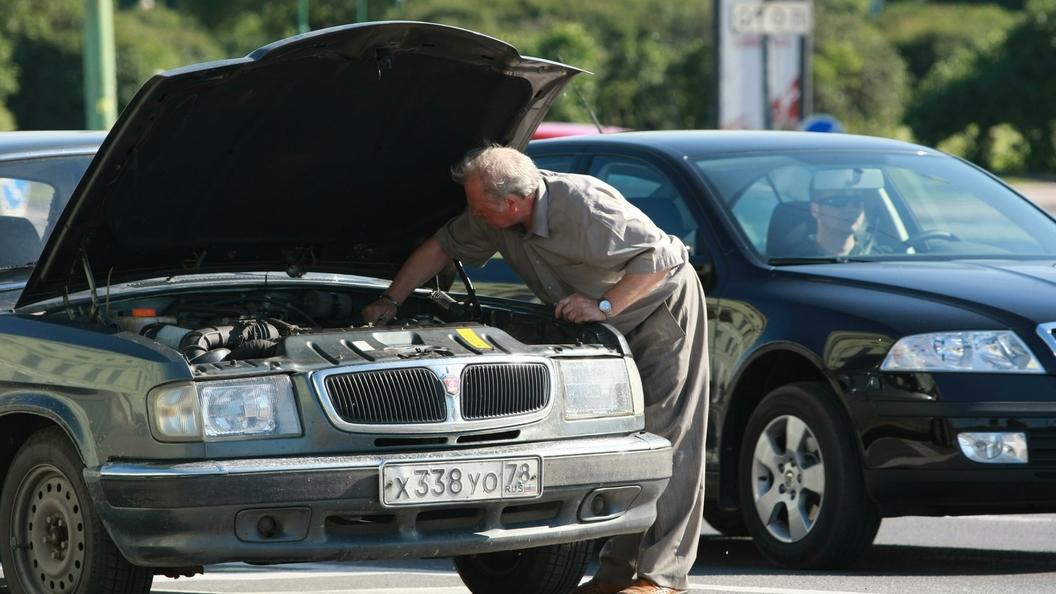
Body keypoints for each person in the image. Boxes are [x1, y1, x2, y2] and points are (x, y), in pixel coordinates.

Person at [361, 145, 709, 594]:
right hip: (606, 325)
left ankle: (662, 579)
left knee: (668, 436)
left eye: (476, 205)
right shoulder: (497, 216)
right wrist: (391, 301)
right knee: (626, 440)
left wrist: (603, 305)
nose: (472, 214)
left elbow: (664, 258)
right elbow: (441, 247)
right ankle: (617, 574)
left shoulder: (586, 204)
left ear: (511, 203)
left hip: (660, 310)